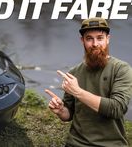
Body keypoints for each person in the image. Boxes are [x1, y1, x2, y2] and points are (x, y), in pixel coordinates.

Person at [45, 17, 132, 147]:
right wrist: (61, 110)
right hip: (75, 143)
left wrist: (78, 92)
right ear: (83, 41)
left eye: (100, 38)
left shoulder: (121, 69)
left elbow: (117, 108)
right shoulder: (74, 72)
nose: (95, 43)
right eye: (89, 38)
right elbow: (69, 114)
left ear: (108, 39)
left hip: (111, 144)